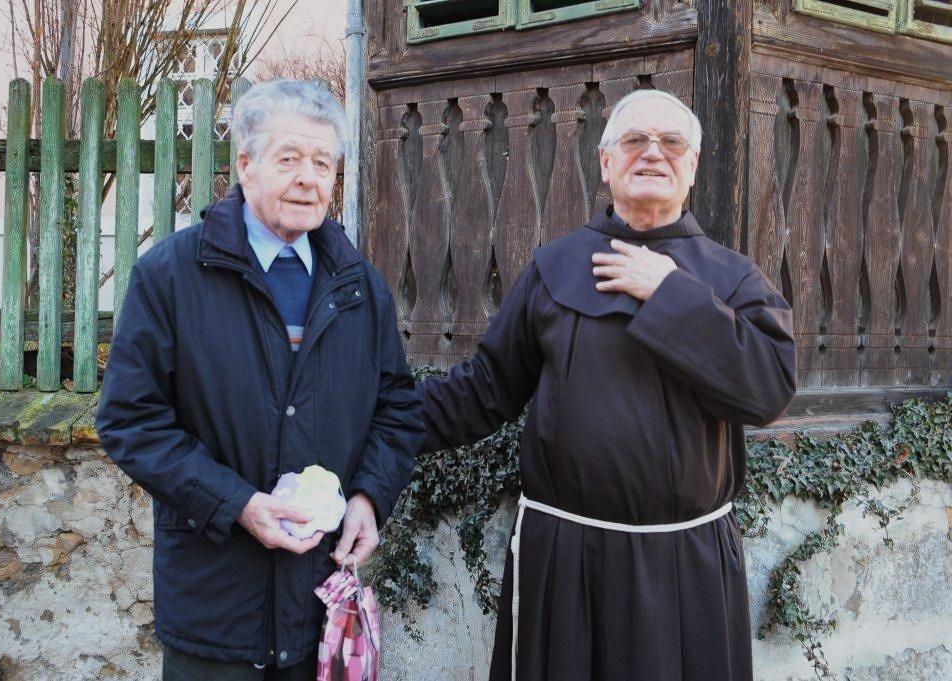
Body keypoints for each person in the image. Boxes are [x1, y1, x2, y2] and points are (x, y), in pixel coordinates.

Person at [418, 89, 796, 681]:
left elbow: (767, 391)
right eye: (635, 140)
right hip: (565, 560)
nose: (653, 153)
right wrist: (370, 413)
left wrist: (669, 292)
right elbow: (483, 391)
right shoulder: (553, 268)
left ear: (693, 165)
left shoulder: (735, 277)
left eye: (671, 143)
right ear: (605, 161)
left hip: (684, 568)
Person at [96, 79, 424, 681]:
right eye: (289, 158)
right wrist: (238, 504)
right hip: (215, 607)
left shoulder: (359, 286)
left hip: (319, 600)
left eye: (322, 163)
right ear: (245, 165)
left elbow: (397, 407)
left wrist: (368, 498)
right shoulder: (170, 276)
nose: (307, 179)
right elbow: (130, 421)